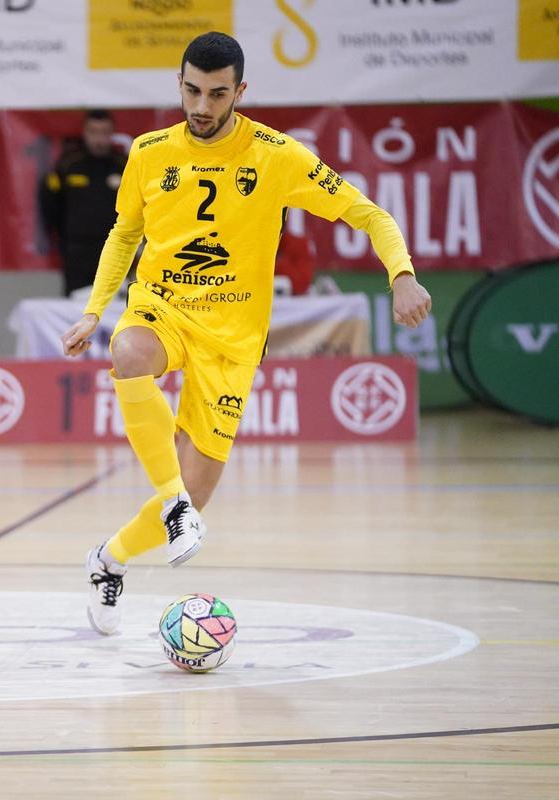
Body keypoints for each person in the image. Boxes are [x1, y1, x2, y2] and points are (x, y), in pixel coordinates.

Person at [61, 32, 432, 635]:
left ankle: (109, 560)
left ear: (240, 91)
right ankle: (175, 505)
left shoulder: (277, 155)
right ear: (178, 84)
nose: (201, 107)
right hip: (163, 308)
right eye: (191, 91)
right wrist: (96, 309)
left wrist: (403, 275)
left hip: (232, 341)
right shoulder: (150, 151)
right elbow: (125, 234)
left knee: (197, 491)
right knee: (128, 352)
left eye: (216, 94)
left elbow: (372, 214)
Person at [40, 110, 129, 296]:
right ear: (85, 133)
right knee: (76, 308)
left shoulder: (124, 166)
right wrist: (65, 236)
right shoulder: (68, 165)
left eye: (104, 132)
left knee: (117, 308)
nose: (99, 139)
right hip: (77, 253)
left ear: (112, 134)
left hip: (116, 250)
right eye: (94, 132)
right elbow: (50, 203)